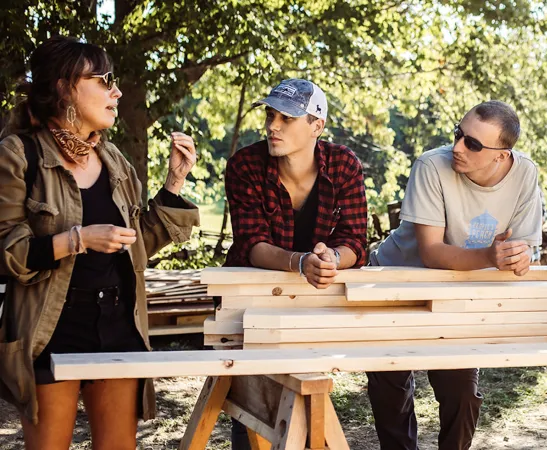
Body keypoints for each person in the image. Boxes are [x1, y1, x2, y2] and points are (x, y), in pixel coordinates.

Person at [0, 36, 200, 449]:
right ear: (64, 86)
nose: (117, 91)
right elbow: (6, 251)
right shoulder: (18, 156)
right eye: (104, 80)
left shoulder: (114, 161)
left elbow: (135, 243)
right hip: (51, 327)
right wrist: (77, 240)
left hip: (118, 321)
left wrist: (174, 184)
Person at [368, 100, 544, 449]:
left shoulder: (526, 174)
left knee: (463, 393)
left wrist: (521, 257)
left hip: (458, 290)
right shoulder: (431, 166)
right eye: (458, 134)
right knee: (391, 390)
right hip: (396, 278)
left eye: (473, 144)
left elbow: (527, 248)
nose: (458, 147)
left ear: (502, 155)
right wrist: (492, 256)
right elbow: (432, 252)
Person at [224, 78, 368, 448]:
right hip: (251, 297)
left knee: (304, 398)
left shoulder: (344, 165)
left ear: (316, 126)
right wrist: (300, 261)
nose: (273, 125)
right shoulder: (245, 165)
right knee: (251, 407)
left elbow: (355, 241)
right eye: (271, 115)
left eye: (286, 118)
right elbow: (252, 244)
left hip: (315, 298)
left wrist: (332, 259)